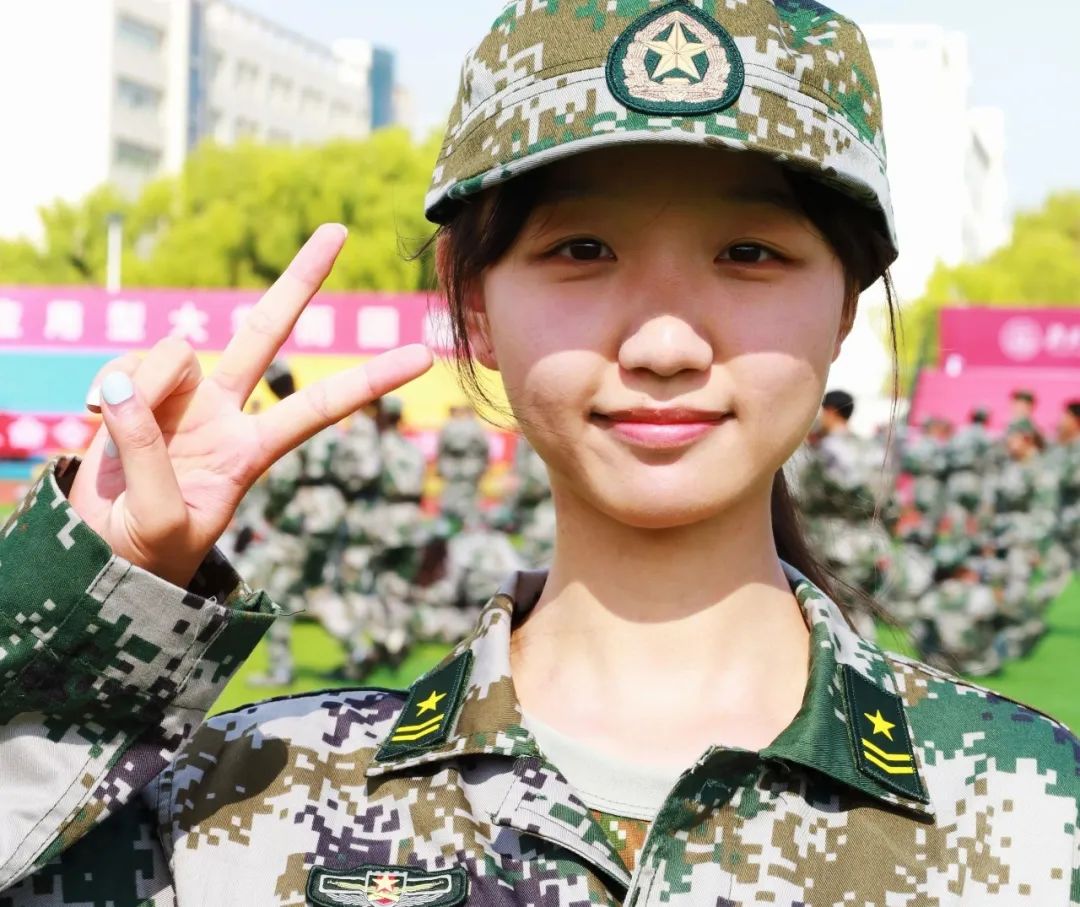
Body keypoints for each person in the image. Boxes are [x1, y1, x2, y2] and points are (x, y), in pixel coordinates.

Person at [2, 4, 1077, 906]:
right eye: (582, 249)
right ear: (475, 309)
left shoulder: (1038, 809)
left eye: (750, 252)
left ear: (845, 307)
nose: (665, 345)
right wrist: (83, 614)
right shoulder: (237, 807)